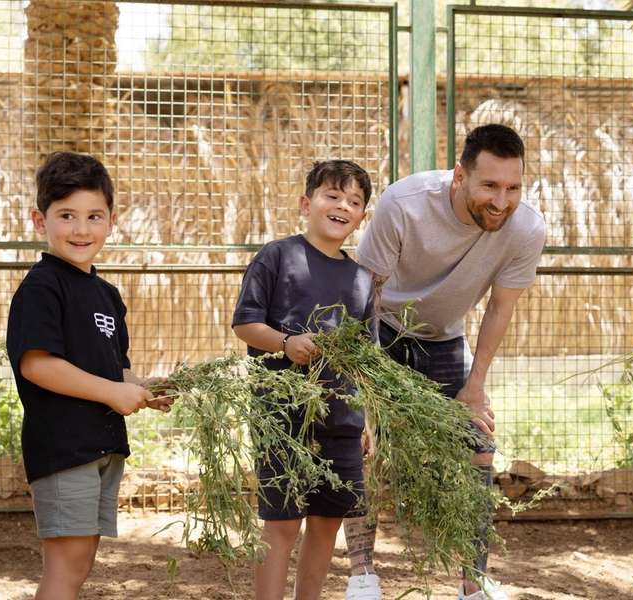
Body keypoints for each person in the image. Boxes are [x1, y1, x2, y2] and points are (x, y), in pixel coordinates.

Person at [344, 124, 546, 600]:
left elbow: (500, 309)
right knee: (362, 445)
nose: (501, 201)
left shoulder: (527, 229)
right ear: (460, 176)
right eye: (490, 186)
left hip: (445, 340)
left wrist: (475, 387)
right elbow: (363, 296)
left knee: (479, 442)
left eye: (513, 187)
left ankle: (472, 585)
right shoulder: (404, 203)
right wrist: (364, 387)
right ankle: (362, 575)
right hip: (383, 331)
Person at [6, 151, 174, 600]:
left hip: (101, 445)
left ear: (111, 221)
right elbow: (36, 364)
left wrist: (143, 389)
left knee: (79, 566)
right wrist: (112, 393)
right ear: (40, 221)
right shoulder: (42, 287)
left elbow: (113, 367)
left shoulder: (106, 294)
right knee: (64, 569)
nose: (81, 229)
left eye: (93, 216)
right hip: (63, 446)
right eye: (67, 216)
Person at [232, 160, 376, 600]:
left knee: (327, 521)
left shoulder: (362, 279)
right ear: (306, 202)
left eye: (354, 201)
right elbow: (245, 324)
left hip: (342, 418)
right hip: (282, 414)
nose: (342, 206)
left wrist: (367, 418)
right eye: (332, 195)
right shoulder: (278, 256)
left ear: (362, 216)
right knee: (281, 524)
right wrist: (285, 343)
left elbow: (366, 362)